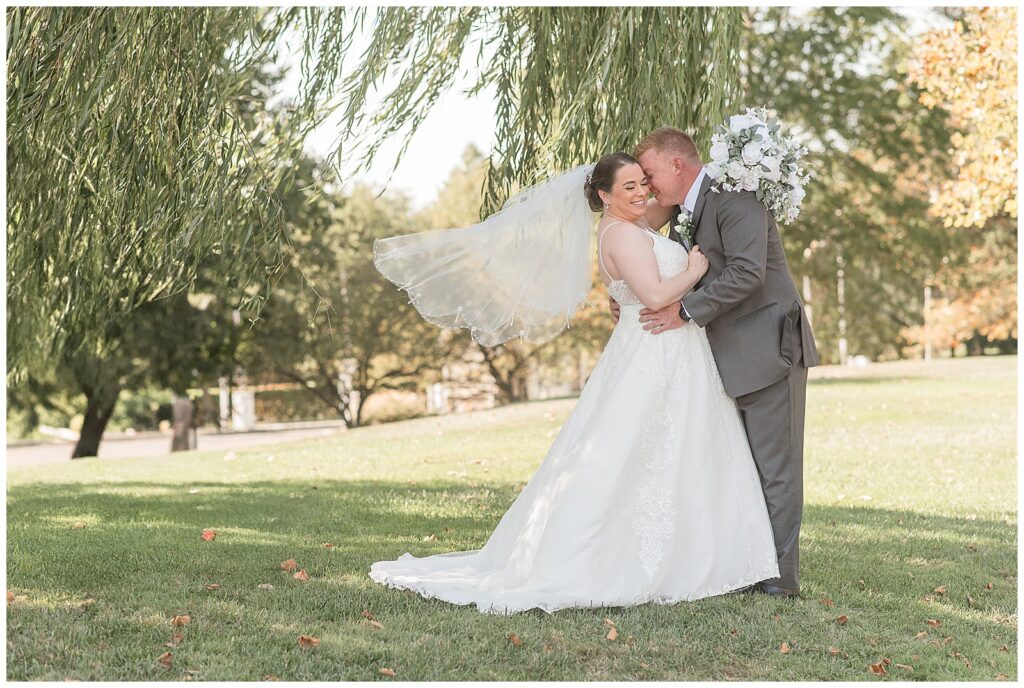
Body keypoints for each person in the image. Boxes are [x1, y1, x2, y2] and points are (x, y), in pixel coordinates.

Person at [368, 153, 780, 614]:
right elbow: (656, 295)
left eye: (643, 182)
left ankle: (699, 554)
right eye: (628, 187)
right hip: (654, 348)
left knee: (675, 448)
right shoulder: (622, 233)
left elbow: (663, 230)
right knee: (635, 452)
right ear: (604, 195)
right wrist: (694, 272)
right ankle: (616, 558)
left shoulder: (633, 225)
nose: (641, 192)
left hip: (669, 348)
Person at [628, 127, 820, 597]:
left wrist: (685, 312)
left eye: (650, 173)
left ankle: (780, 582)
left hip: (769, 349)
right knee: (742, 468)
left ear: (677, 164)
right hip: (725, 357)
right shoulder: (684, 213)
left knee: (776, 470)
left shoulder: (736, 195)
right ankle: (748, 568)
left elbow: (747, 272)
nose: (648, 185)